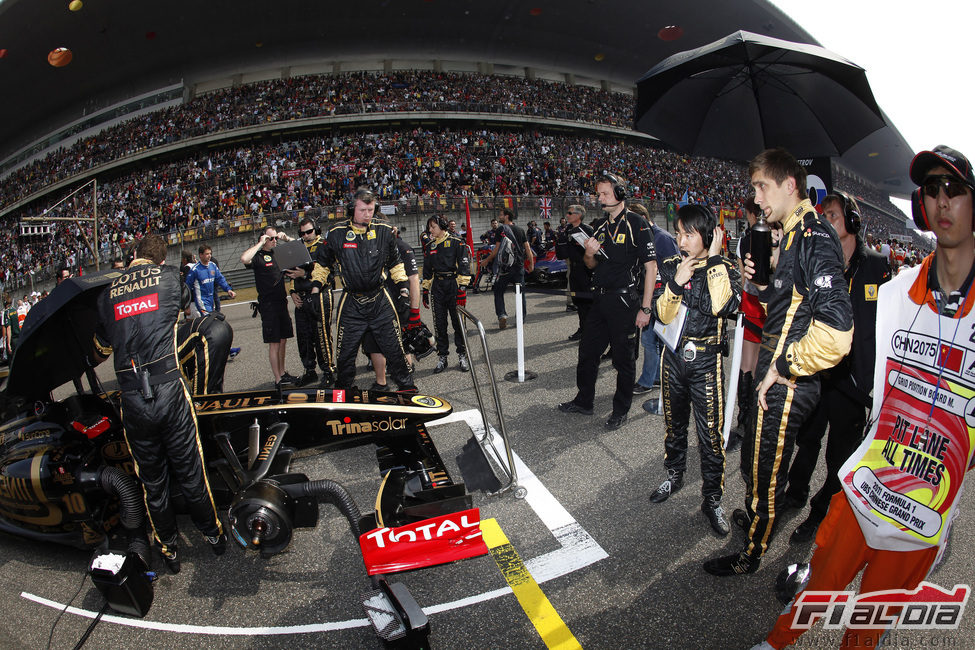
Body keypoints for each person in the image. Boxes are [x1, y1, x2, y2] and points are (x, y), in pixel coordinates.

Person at [753, 148, 975, 648]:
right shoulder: (900, 292)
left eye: (954, 189)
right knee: (822, 582)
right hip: (870, 479)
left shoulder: (882, 275)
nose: (942, 200)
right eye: (931, 191)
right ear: (921, 207)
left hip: (925, 503)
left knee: (868, 624)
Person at [704, 148, 853, 576]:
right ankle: (755, 520)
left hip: (788, 381)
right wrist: (762, 281)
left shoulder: (813, 235)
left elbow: (838, 332)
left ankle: (750, 555)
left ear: (790, 185)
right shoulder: (789, 234)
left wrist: (784, 367)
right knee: (754, 456)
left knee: (766, 467)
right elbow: (787, 308)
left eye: (761, 187)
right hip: (773, 373)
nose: (756, 199)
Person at [92, 234, 226, 573]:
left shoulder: (107, 294)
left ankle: (169, 549)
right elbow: (181, 311)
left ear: (133, 254)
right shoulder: (170, 277)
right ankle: (213, 535)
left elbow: (100, 349)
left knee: (153, 483)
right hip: (168, 388)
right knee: (191, 470)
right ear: (161, 258)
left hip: (133, 398)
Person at [782, 191, 892, 543]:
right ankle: (796, 493)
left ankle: (819, 512)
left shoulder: (876, 264)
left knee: (840, 454)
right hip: (818, 371)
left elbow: (889, 323)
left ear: (853, 221)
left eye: (832, 214)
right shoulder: (818, 259)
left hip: (853, 378)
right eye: (822, 215)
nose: (825, 220)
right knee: (807, 439)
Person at [649, 205, 741, 535]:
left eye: (688, 234)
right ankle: (674, 475)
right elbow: (661, 314)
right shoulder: (673, 265)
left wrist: (714, 260)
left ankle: (712, 499)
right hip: (673, 358)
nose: (681, 240)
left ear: (708, 235)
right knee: (674, 426)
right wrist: (676, 283)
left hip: (705, 362)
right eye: (678, 233)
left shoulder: (726, 267)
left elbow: (725, 306)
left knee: (710, 436)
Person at [557, 173, 657, 431]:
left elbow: (651, 267)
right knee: (587, 352)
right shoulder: (599, 226)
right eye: (598, 194)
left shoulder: (637, 224)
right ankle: (584, 401)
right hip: (599, 299)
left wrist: (646, 308)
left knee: (623, 360)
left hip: (625, 301)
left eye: (604, 193)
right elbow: (591, 265)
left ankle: (620, 410)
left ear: (620, 193)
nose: (599, 198)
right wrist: (589, 253)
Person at [319, 189, 417, 392]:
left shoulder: (384, 230)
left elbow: (396, 264)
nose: (367, 214)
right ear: (351, 209)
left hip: (380, 300)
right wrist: (314, 287)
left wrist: (404, 292)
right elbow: (322, 264)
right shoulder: (336, 233)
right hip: (351, 302)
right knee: (345, 354)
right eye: (362, 209)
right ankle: (344, 391)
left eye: (371, 209)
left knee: (395, 349)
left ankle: (407, 389)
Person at [727, 197, 767, 451]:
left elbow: (743, 276)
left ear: (752, 214)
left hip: (753, 304)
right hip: (774, 305)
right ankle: (758, 420)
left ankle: (745, 421)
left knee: (747, 366)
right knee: (765, 365)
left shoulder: (745, 240)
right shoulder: (781, 235)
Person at [365, 224, 424, 390]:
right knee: (373, 341)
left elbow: (413, 279)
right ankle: (381, 381)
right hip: (376, 303)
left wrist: (414, 311)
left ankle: (407, 372)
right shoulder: (371, 246)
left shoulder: (403, 248)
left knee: (401, 339)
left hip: (397, 303)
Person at [241, 225, 299, 388]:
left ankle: (282, 373)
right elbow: (245, 259)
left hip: (281, 302)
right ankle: (278, 379)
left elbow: (301, 248)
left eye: (275, 238)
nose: (274, 241)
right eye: (270, 238)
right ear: (264, 239)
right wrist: (260, 243)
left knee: (283, 340)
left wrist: (286, 239)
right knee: (274, 342)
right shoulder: (258, 256)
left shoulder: (278, 253)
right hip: (268, 305)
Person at [629, 203, 678, 399]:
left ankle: (646, 381)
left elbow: (675, 269)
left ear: (642, 218)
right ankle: (655, 377)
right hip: (647, 295)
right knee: (652, 341)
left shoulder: (663, 238)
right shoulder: (642, 238)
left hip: (661, 297)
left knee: (650, 342)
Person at [422, 215, 472, 373]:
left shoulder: (457, 243)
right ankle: (442, 357)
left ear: (442, 226)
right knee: (440, 325)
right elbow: (427, 270)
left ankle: (462, 355)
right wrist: (425, 290)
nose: (430, 230)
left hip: (453, 285)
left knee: (458, 323)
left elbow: (464, 266)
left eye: (433, 226)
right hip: (437, 287)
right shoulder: (430, 246)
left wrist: (462, 289)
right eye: (429, 227)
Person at [290, 217, 335, 387]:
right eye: (302, 233)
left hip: (320, 294)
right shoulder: (296, 248)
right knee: (304, 336)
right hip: (300, 297)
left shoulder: (325, 245)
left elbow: (328, 272)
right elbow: (289, 272)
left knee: (321, 333)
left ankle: (329, 370)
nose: (306, 235)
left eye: (309, 231)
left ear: (316, 229)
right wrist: (292, 292)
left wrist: (306, 275)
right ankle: (309, 371)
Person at [481, 208, 534, 330]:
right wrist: (531, 264)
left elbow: (497, 250)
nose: (499, 217)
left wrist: (487, 260)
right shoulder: (520, 230)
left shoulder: (501, 229)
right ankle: (520, 318)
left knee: (499, 292)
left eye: (501, 215)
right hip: (519, 267)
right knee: (520, 293)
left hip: (504, 268)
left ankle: (502, 315)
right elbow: (527, 249)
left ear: (507, 216)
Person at [555, 205, 594, 341]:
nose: (567, 215)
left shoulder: (588, 230)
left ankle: (591, 330)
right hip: (574, 270)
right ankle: (583, 328)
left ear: (578, 215)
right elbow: (561, 254)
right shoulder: (567, 231)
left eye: (570, 213)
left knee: (589, 302)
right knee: (579, 302)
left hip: (586, 270)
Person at [185, 243, 236, 316]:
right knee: (209, 319)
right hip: (201, 301)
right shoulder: (195, 270)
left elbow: (220, 279)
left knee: (210, 320)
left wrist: (228, 289)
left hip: (211, 299)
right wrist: (187, 305)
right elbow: (187, 287)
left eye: (210, 253)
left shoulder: (213, 265)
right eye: (207, 254)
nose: (209, 256)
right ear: (200, 255)